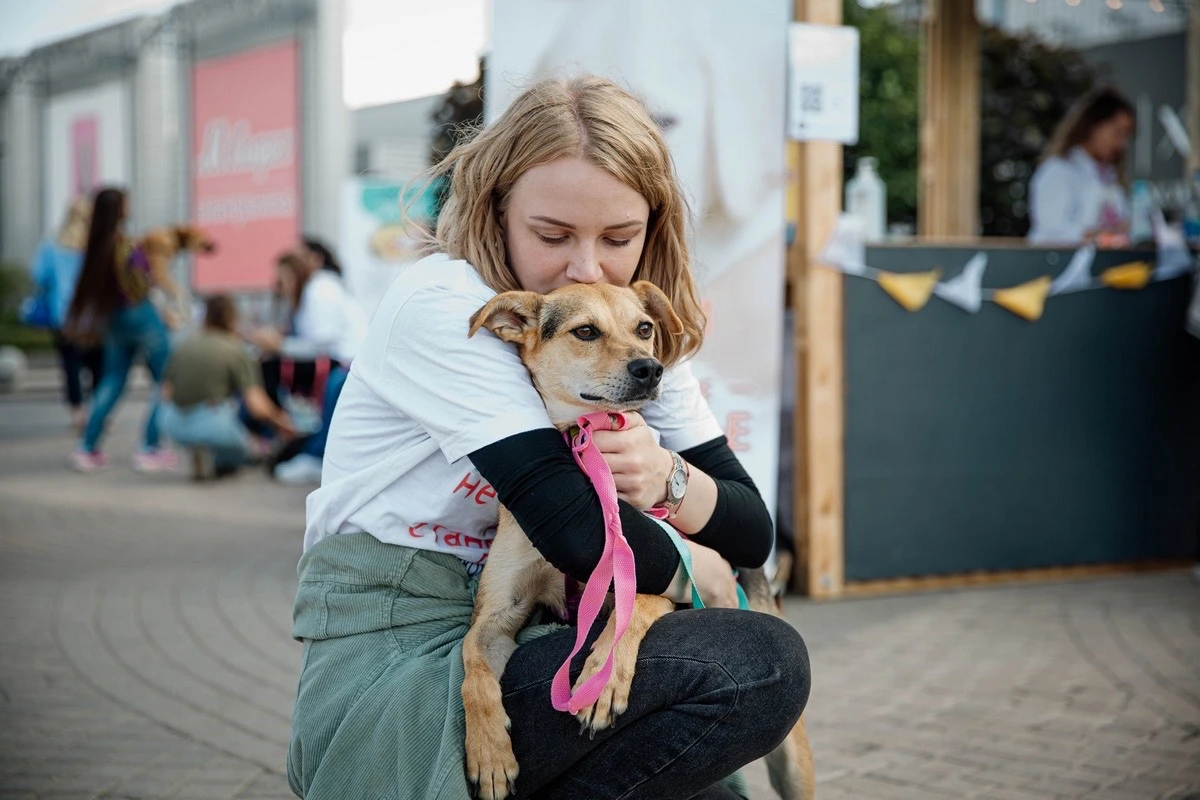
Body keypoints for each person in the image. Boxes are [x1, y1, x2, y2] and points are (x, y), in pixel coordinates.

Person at [288, 76, 810, 800]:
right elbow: (572, 528)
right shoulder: (446, 305)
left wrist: (667, 477)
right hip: (403, 637)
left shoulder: (631, 339)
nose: (587, 267)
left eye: (619, 237)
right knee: (756, 660)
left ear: (652, 228)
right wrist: (696, 566)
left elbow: (753, 533)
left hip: (554, 625)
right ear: (497, 209)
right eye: (553, 235)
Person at [64, 186, 212, 473]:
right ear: (119, 209)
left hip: (114, 320)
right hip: (141, 315)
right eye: (126, 202)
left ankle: (87, 447)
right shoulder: (125, 246)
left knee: (112, 380)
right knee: (165, 379)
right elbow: (142, 283)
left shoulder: (95, 246)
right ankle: (149, 447)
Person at [247, 249, 365, 485]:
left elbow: (321, 343)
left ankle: (285, 430)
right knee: (264, 364)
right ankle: (282, 430)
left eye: (281, 279)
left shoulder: (318, 292)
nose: (278, 285)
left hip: (340, 362)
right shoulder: (311, 291)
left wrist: (280, 344)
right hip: (335, 359)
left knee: (267, 367)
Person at [159, 295, 295, 480]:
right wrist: (284, 424)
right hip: (212, 422)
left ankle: (203, 450)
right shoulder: (235, 349)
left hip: (172, 423)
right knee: (250, 450)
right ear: (232, 319)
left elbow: (166, 392)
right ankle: (218, 457)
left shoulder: (184, 346)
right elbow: (257, 407)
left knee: (217, 422)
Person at [1028, 86, 1136, 246]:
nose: (1122, 144)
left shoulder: (1110, 177)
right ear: (1094, 126)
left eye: (1126, 136)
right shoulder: (1059, 171)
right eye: (1117, 132)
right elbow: (1049, 233)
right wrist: (1098, 235)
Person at [29, 196, 102, 431]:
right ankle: (99, 413)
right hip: (94, 317)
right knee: (97, 365)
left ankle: (78, 413)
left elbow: (38, 276)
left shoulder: (52, 246)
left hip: (64, 316)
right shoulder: (97, 245)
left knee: (70, 366)